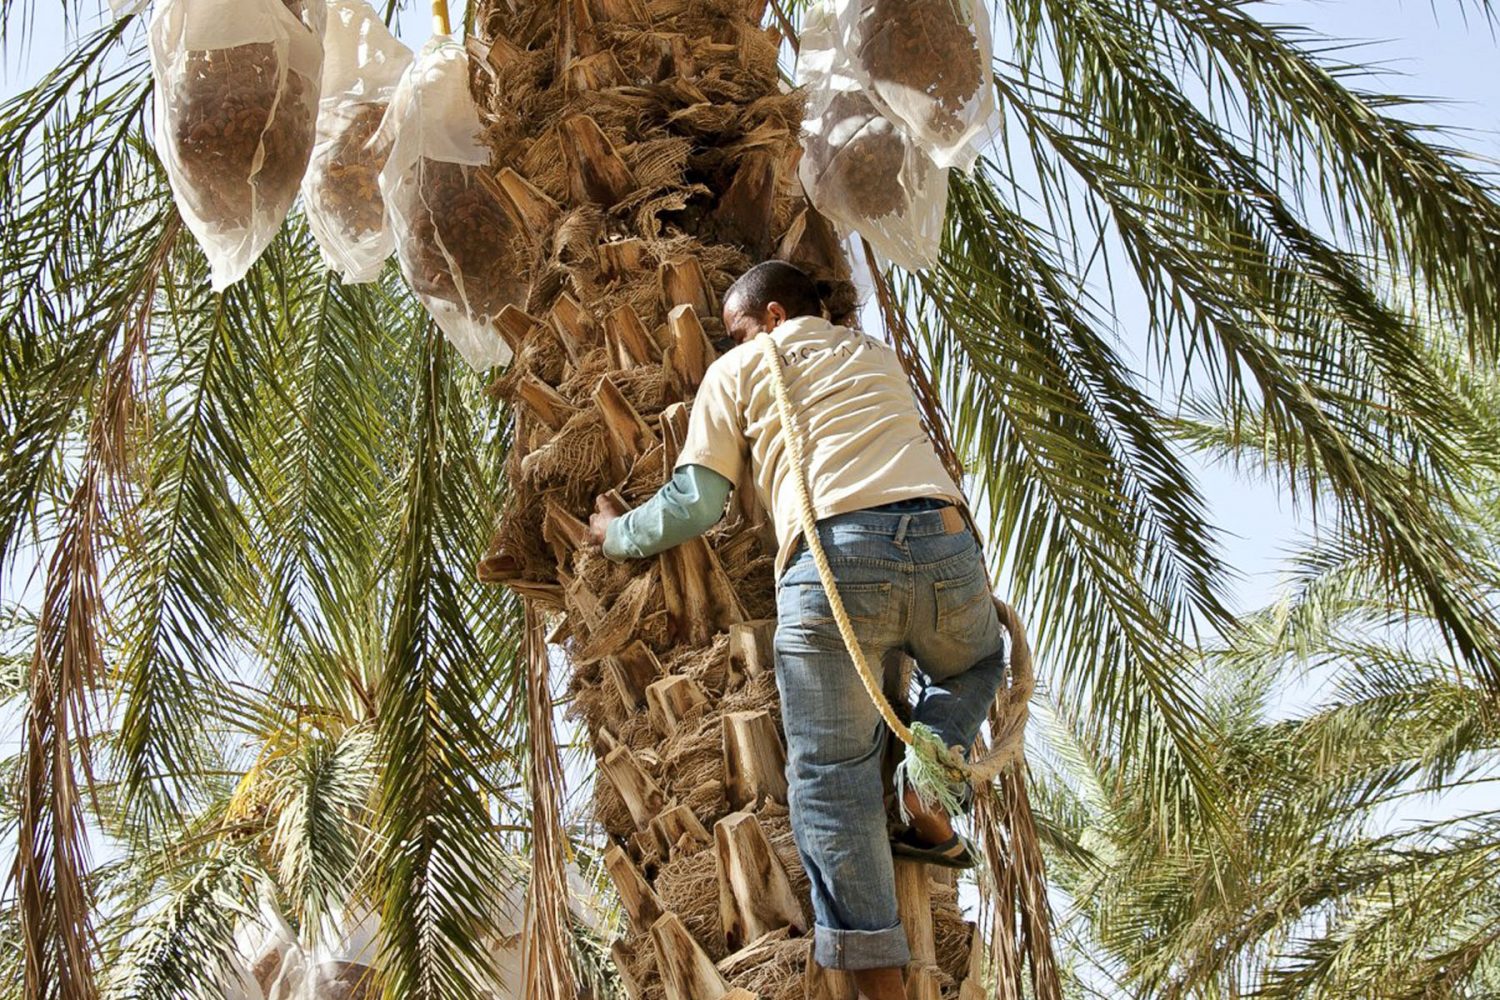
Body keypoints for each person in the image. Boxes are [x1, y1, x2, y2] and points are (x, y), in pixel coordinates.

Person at [586, 260, 1006, 1000]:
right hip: (947, 547)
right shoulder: (876, 356)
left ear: (771, 317)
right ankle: (929, 781)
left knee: (835, 783)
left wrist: (617, 533)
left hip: (833, 564)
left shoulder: (743, 367)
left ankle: (881, 989)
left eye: (736, 328)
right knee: (975, 665)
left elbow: (696, 503)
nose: (731, 342)